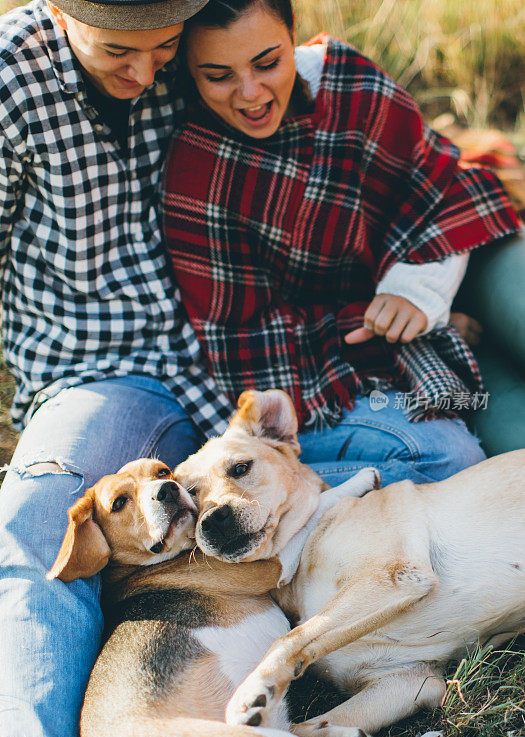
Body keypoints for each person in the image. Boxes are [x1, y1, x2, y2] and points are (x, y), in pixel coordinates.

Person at [0, 0, 241, 737]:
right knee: (35, 521)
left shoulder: (201, 49)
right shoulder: (10, 76)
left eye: (163, 49)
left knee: (431, 451)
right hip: (99, 374)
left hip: (231, 360)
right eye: (116, 53)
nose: (143, 76)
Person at [164, 0, 521, 488]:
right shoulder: (196, 169)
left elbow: (438, 185)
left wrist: (422, 291)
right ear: (189, 71)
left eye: (268, 63)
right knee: (463, 455)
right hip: (350, 359)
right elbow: (249, 337)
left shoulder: (350, 83)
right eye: (217, 76)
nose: (250, 93)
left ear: (294, 33)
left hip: (442, 278)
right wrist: (397, 315)